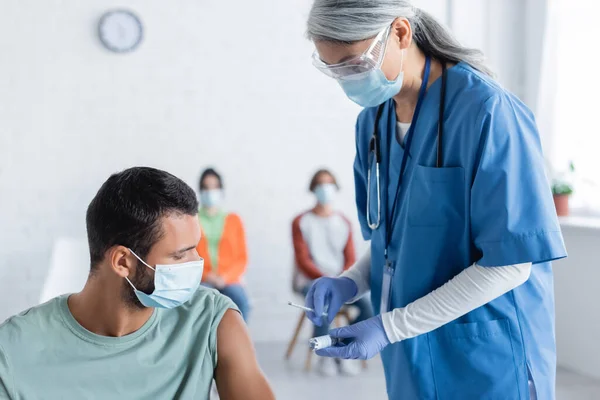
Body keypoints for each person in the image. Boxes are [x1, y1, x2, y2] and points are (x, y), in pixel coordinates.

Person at [303, 1, 567, 399]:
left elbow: (510, 264)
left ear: (401, 33)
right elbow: (394, 240)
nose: (347, 81)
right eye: (334, 69)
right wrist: (350, 282)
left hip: (487, 359)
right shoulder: (373, 124)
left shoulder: (488, 113)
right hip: (413, 360)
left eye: (354, 64)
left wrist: (389, 326)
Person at [0, 167, 274, 400]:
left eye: (195, 248)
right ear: (122, 262)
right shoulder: (13, 350)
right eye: (180, 254)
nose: (197, 262)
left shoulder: (212, 320)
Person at [291, 169, 373, 376]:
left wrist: (341, 280)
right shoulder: (301, 222)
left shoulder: (343, 222)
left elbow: (350, 259)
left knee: (366, 307)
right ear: (313, 188)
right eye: (320, 184)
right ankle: (324, 355)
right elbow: (303, 260)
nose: (325, 189)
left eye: (329, 184)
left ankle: (345, 351)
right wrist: (325, 280)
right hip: (310, 280)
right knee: (323, 298)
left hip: (340, 279)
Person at [196, 168, 251, 322]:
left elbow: (242, 258)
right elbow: (188, 256)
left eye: (214, 187)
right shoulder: (193, 220)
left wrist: (226, 277)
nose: (210, 191)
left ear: (221, 190)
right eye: (206, 187)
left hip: (229, 278)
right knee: (203, 303)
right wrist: (208, 275)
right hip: (203, 278)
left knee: (241, 301)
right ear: (201, 191)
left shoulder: (233, 220)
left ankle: (238, 343)